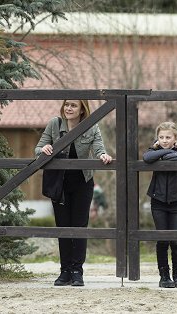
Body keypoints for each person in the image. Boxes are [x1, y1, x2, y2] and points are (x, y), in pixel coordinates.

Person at [35, 99, 112, 287]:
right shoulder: (55, 124)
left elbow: (99, 148)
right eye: (67, 105)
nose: (69, 108)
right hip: (59, 184)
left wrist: (103, 155)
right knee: (63, 226)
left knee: (79, 226)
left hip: (83, 183)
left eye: (73, 105)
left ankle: (77, 271)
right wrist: (43, 149)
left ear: (82, 109)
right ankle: (65, 271)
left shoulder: (91, 126)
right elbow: (38, 148)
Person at [142, 121, 177, 288]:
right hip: (158, 201)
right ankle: (164, 275)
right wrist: (164, 151)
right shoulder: (153, 151)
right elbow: (147, 158)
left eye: (168, 137)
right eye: (161, 137)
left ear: (175, 138)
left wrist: (167, 153)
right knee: (162, 239)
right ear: (157, 138)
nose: (164, 140)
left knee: (176, 240)